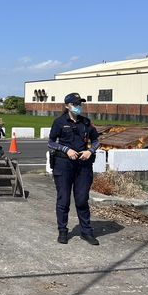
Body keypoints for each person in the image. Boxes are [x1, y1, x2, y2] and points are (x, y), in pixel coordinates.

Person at [48, 92, 100, 246]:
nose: (78, 107)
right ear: (67, 106)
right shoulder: (59, 122)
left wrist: (89, 151)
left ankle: (86, 232)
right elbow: (51, 142)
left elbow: (96, 141)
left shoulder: (86, 122)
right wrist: (65, 150)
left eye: (80, 104)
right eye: (75, 104)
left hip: (83, 165)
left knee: (82, 199)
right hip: (63, 165)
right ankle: (63, 231)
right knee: (63, 200)